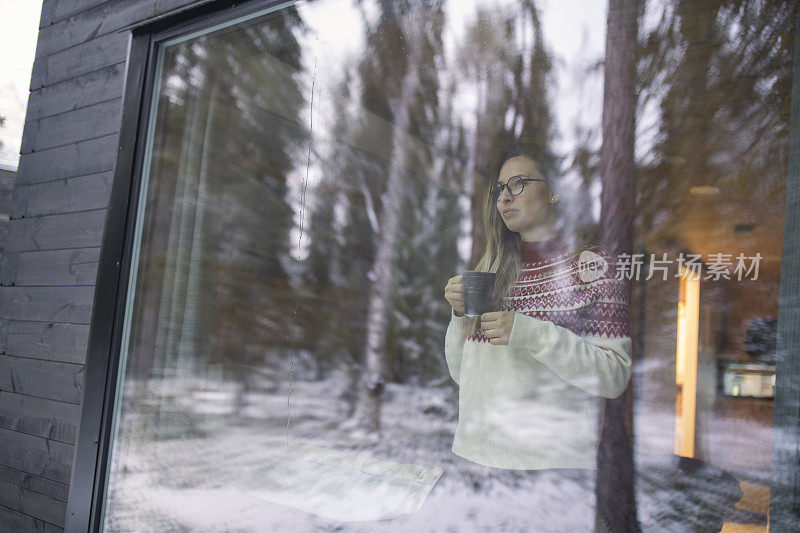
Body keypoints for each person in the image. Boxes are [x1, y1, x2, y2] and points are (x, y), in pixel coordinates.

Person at [442, 142, 633, 472]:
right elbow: (463, 376)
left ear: (553, 192)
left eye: (517, 184)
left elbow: (614, 375)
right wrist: (459, 315)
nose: (504, 197)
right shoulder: (491, 269)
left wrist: (529, 333)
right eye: (501, 188)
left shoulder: (592, 265)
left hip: (550, 471)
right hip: (476, 463)